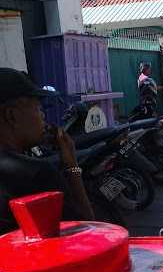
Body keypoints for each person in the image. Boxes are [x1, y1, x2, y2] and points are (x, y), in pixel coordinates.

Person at [0, 68, 94, 234]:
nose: (43, 116)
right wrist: (72, 166)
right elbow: (86, 230)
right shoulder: (35, 174)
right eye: (37, 108)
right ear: (11, 116)